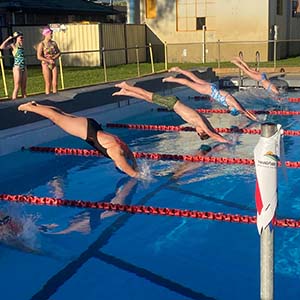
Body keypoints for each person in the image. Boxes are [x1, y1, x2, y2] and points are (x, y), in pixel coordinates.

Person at [18, 101, 139, 178]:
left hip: (92, 125)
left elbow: (132, 159)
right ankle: (29, 107)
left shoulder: (125, 150)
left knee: (62, 114)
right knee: (56, 117)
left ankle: (36, 105)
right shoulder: (116, 154)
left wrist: (135, 165)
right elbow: (133, 174)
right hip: (87, 131)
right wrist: (145, 177)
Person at [112, 81, 229, 144]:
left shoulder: (202, 122)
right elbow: (212, 133)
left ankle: (126, 92)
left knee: (148, 98)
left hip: (173, 103)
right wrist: (226, 141)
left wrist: (220, 137)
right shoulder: (200, 122)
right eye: (199, 132)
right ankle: (126, 86)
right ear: (201, 131)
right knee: (148, 94)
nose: (197, 130)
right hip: (172, 103)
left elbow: (212, 131)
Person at [162, 67, 257, 121]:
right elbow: (243, 111)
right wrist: (255, 119)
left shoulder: (229, 104)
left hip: (212, 88)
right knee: (188, 83)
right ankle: (171, 79)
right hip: (209, 90)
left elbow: (244, 111)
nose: (230, 109)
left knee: (195, 79)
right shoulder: (232, 102)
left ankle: (178, 70)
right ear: (234, 109)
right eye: (231, 110)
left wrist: (252, 117)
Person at [0, 31, 27, 99]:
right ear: (17, 38)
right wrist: (8, 39)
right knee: (17, 85)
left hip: (23, 66)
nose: (22, 39)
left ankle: (25, 99)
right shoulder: (13, 45)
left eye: (22, 38)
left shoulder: (22, 46)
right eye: (21, 37)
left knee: (23, 86)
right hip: (17, 67)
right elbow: (2, 47)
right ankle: (14, 101)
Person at [36, 27, 61, 95]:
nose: (51, 35)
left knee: (55, 82)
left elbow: (58, 52)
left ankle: (56, 94)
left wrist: (54, 58)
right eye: (50, 34)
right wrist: (47, 60)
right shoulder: (42, 44)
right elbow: (39, 56)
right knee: (48, 82)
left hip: (53, 63)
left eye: (52, 34)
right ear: (46, 34)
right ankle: (48, 96)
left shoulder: (53, 43)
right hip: (45, 64)